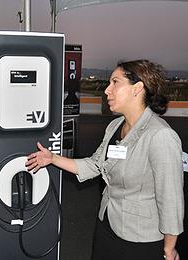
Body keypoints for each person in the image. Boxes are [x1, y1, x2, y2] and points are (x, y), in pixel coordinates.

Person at [26, 59, 184, 260]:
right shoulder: (115, 126)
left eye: (115, 82)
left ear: (137, 89)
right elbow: (95, 164)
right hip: (107, 224)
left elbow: (171, 199)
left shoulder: (160, 136)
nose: (107, 90)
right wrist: (53, 159)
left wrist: (169, 249)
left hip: (140, 239)